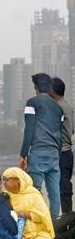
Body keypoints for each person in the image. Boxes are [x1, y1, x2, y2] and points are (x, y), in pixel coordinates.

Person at [20, 73, 64, 219]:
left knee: (35, 191)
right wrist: (58, 153)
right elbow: (61, 133)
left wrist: (23, 154)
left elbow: (29, 129)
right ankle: (54, 223)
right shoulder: (58, 108)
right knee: (54, 192)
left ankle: (37, 223)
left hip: (38, 151)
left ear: (36, 87)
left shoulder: (32, 103)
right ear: (50, 87)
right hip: (54, 152)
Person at [51, 77, 73, 215]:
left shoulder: (57, 107)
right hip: (68, 152)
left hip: (61, 152)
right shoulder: (68, 106)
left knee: (62, 186)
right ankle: (67, 216)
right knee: (65, 185)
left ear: (53, 91)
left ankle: (65, 218)